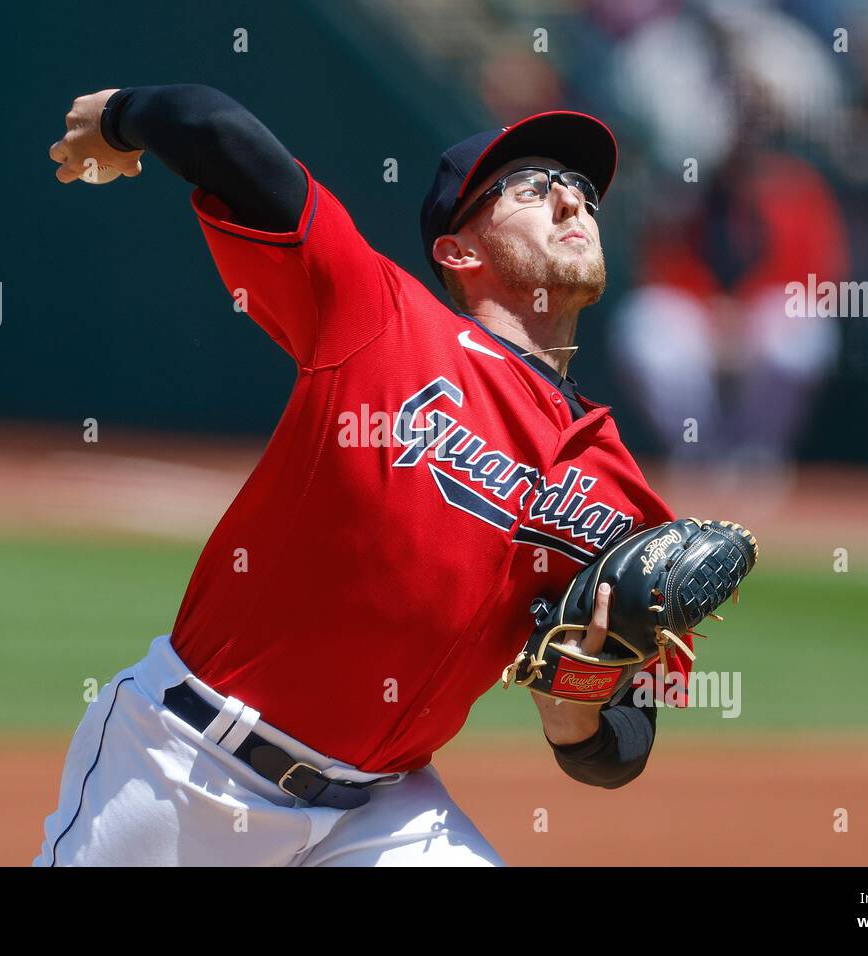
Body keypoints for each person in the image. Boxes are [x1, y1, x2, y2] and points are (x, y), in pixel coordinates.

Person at [37, 84, 692, 867]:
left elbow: (622, 745)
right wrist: (118, 118)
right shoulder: (378, 317)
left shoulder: (619, 488)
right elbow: (216, 130)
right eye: (530, 188)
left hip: (383, 811)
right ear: (458, 251)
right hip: (185, 765)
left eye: (582, 191)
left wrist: (573, 717)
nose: (569, 202)